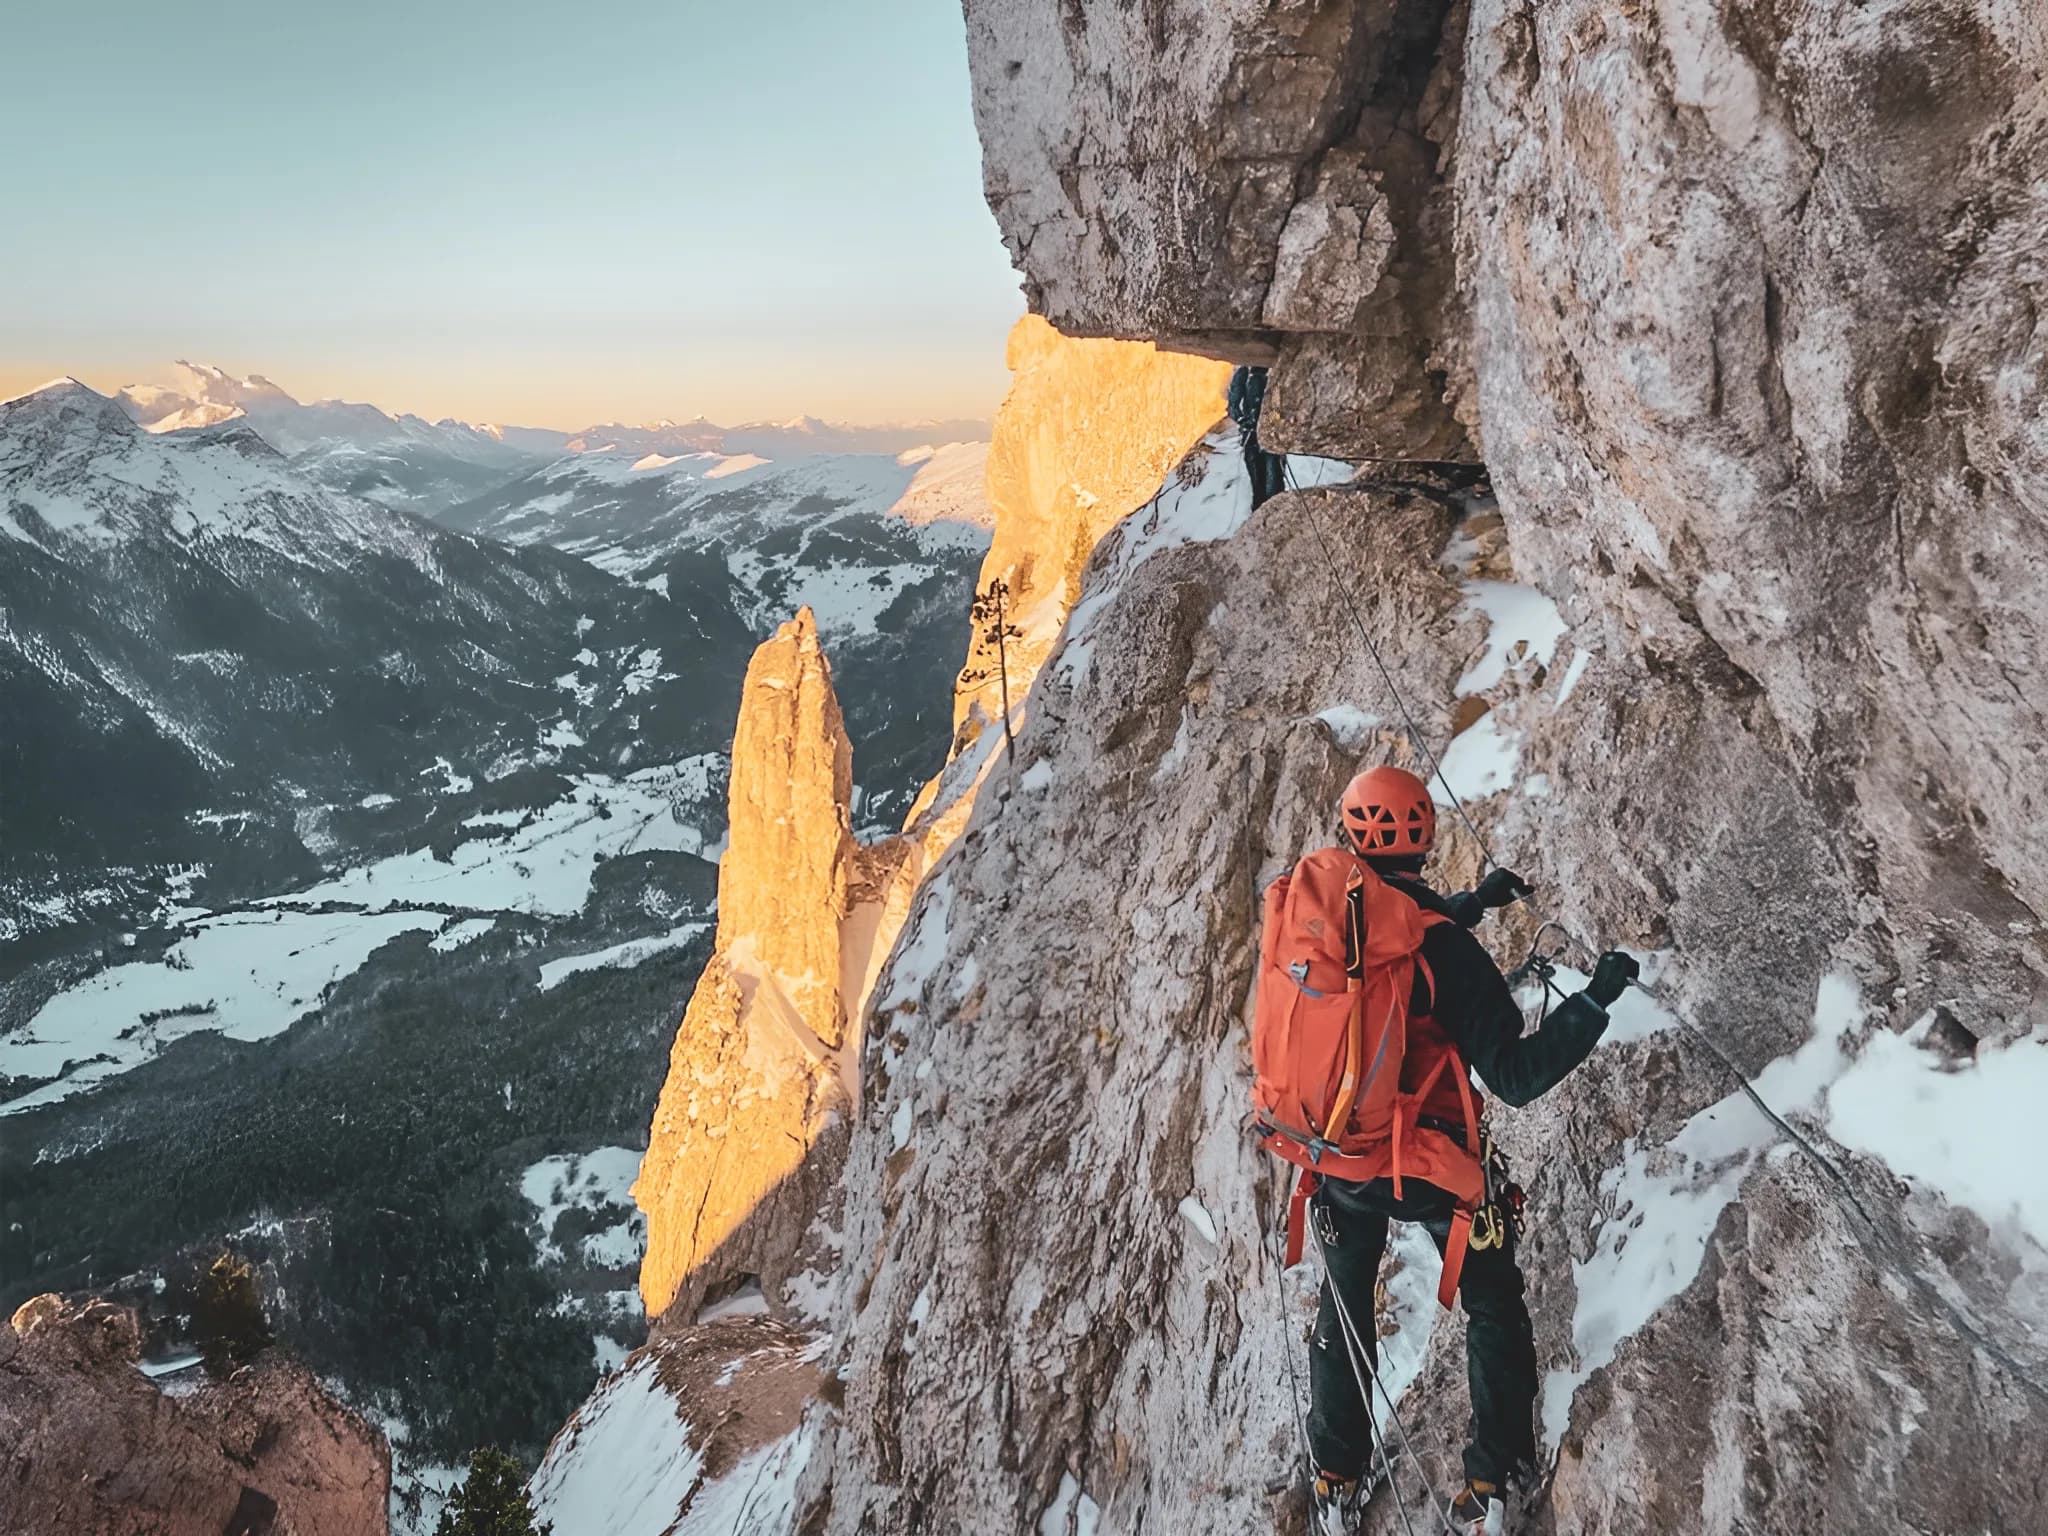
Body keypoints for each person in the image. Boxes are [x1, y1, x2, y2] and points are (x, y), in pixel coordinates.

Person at [1305, 766, 1638, 1534]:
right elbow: (1515, 1076)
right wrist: (1594, 1001)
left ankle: (1334, 1476)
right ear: (1421, 836)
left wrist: (1475, 905)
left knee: (1346, 1302)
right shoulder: (1444, 949)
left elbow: (1400, 939)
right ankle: (1490, 1481)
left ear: (1353, 832)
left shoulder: (1326, 908)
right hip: (1426, 1159)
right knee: (1489, 1299)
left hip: (1338, 1153)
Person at [1227, 365, 1288, 507]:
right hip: (1254, 440)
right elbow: (1233, 405)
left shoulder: (1275, 375)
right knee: (1259, 488)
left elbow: (1277, 407)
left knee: (1274, 488)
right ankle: (1261, 523)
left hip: (1271, 442)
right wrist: (1244, 420)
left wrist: (1269, 423)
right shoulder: (1244, 373)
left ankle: (1274, 521)